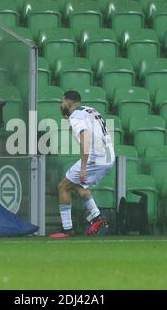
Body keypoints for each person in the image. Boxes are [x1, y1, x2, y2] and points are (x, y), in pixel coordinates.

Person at [49, 91, 115, 239]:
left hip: (95, 158)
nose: (61, 105)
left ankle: (67, 229)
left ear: (69, 103)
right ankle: (97, 217)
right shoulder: (90, 110)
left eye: (62, 102)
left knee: (63, 186)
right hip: (108, 157)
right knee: (79, 185)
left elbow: (85, 139)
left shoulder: (76, 116)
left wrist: (84, 168)